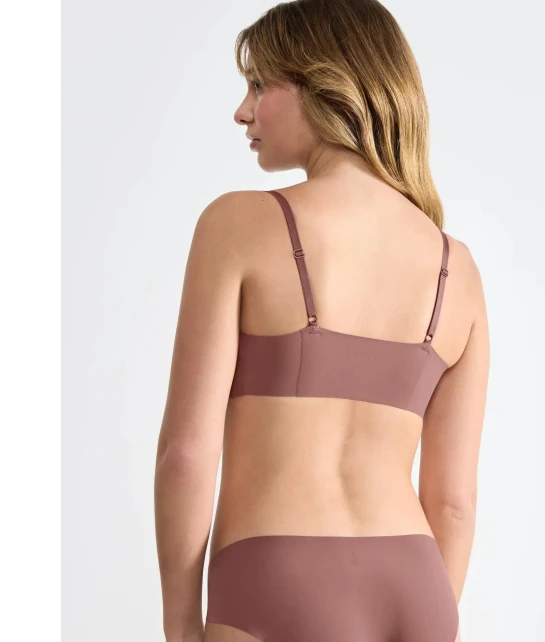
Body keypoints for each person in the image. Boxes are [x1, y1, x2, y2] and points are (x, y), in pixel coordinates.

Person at [154, 1, 490, 641]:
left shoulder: (237, 225)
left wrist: (180, 627)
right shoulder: (459, 269)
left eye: (260, 85)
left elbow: (186, 455)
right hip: (415, 586)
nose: (243, 111)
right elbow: (453, 502)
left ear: (327, 84)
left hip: (274, 578)